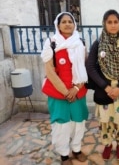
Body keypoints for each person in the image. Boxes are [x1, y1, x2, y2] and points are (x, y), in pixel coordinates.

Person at [41, 12, 88, 165]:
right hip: (58, 93)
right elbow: (50, 71)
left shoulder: (80, 42)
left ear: (74, 24)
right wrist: (66, 92)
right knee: (61, 125)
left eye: (70, 21)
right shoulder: (51, 43)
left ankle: (76, 149)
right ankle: (64, 154)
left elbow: (84, 68)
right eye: (64, 22)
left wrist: (75, 88)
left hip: (78, 92)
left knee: (78, 122)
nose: (67, 24)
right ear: (58, 25)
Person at [86, 9, 119, 161]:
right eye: (109, 22)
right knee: (106, 122)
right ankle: (108, 145)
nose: (113, 25)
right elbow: (90, 67)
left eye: (116, 22)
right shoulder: (98, 43)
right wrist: (106, 87)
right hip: (104, 91)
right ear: (104, 24)